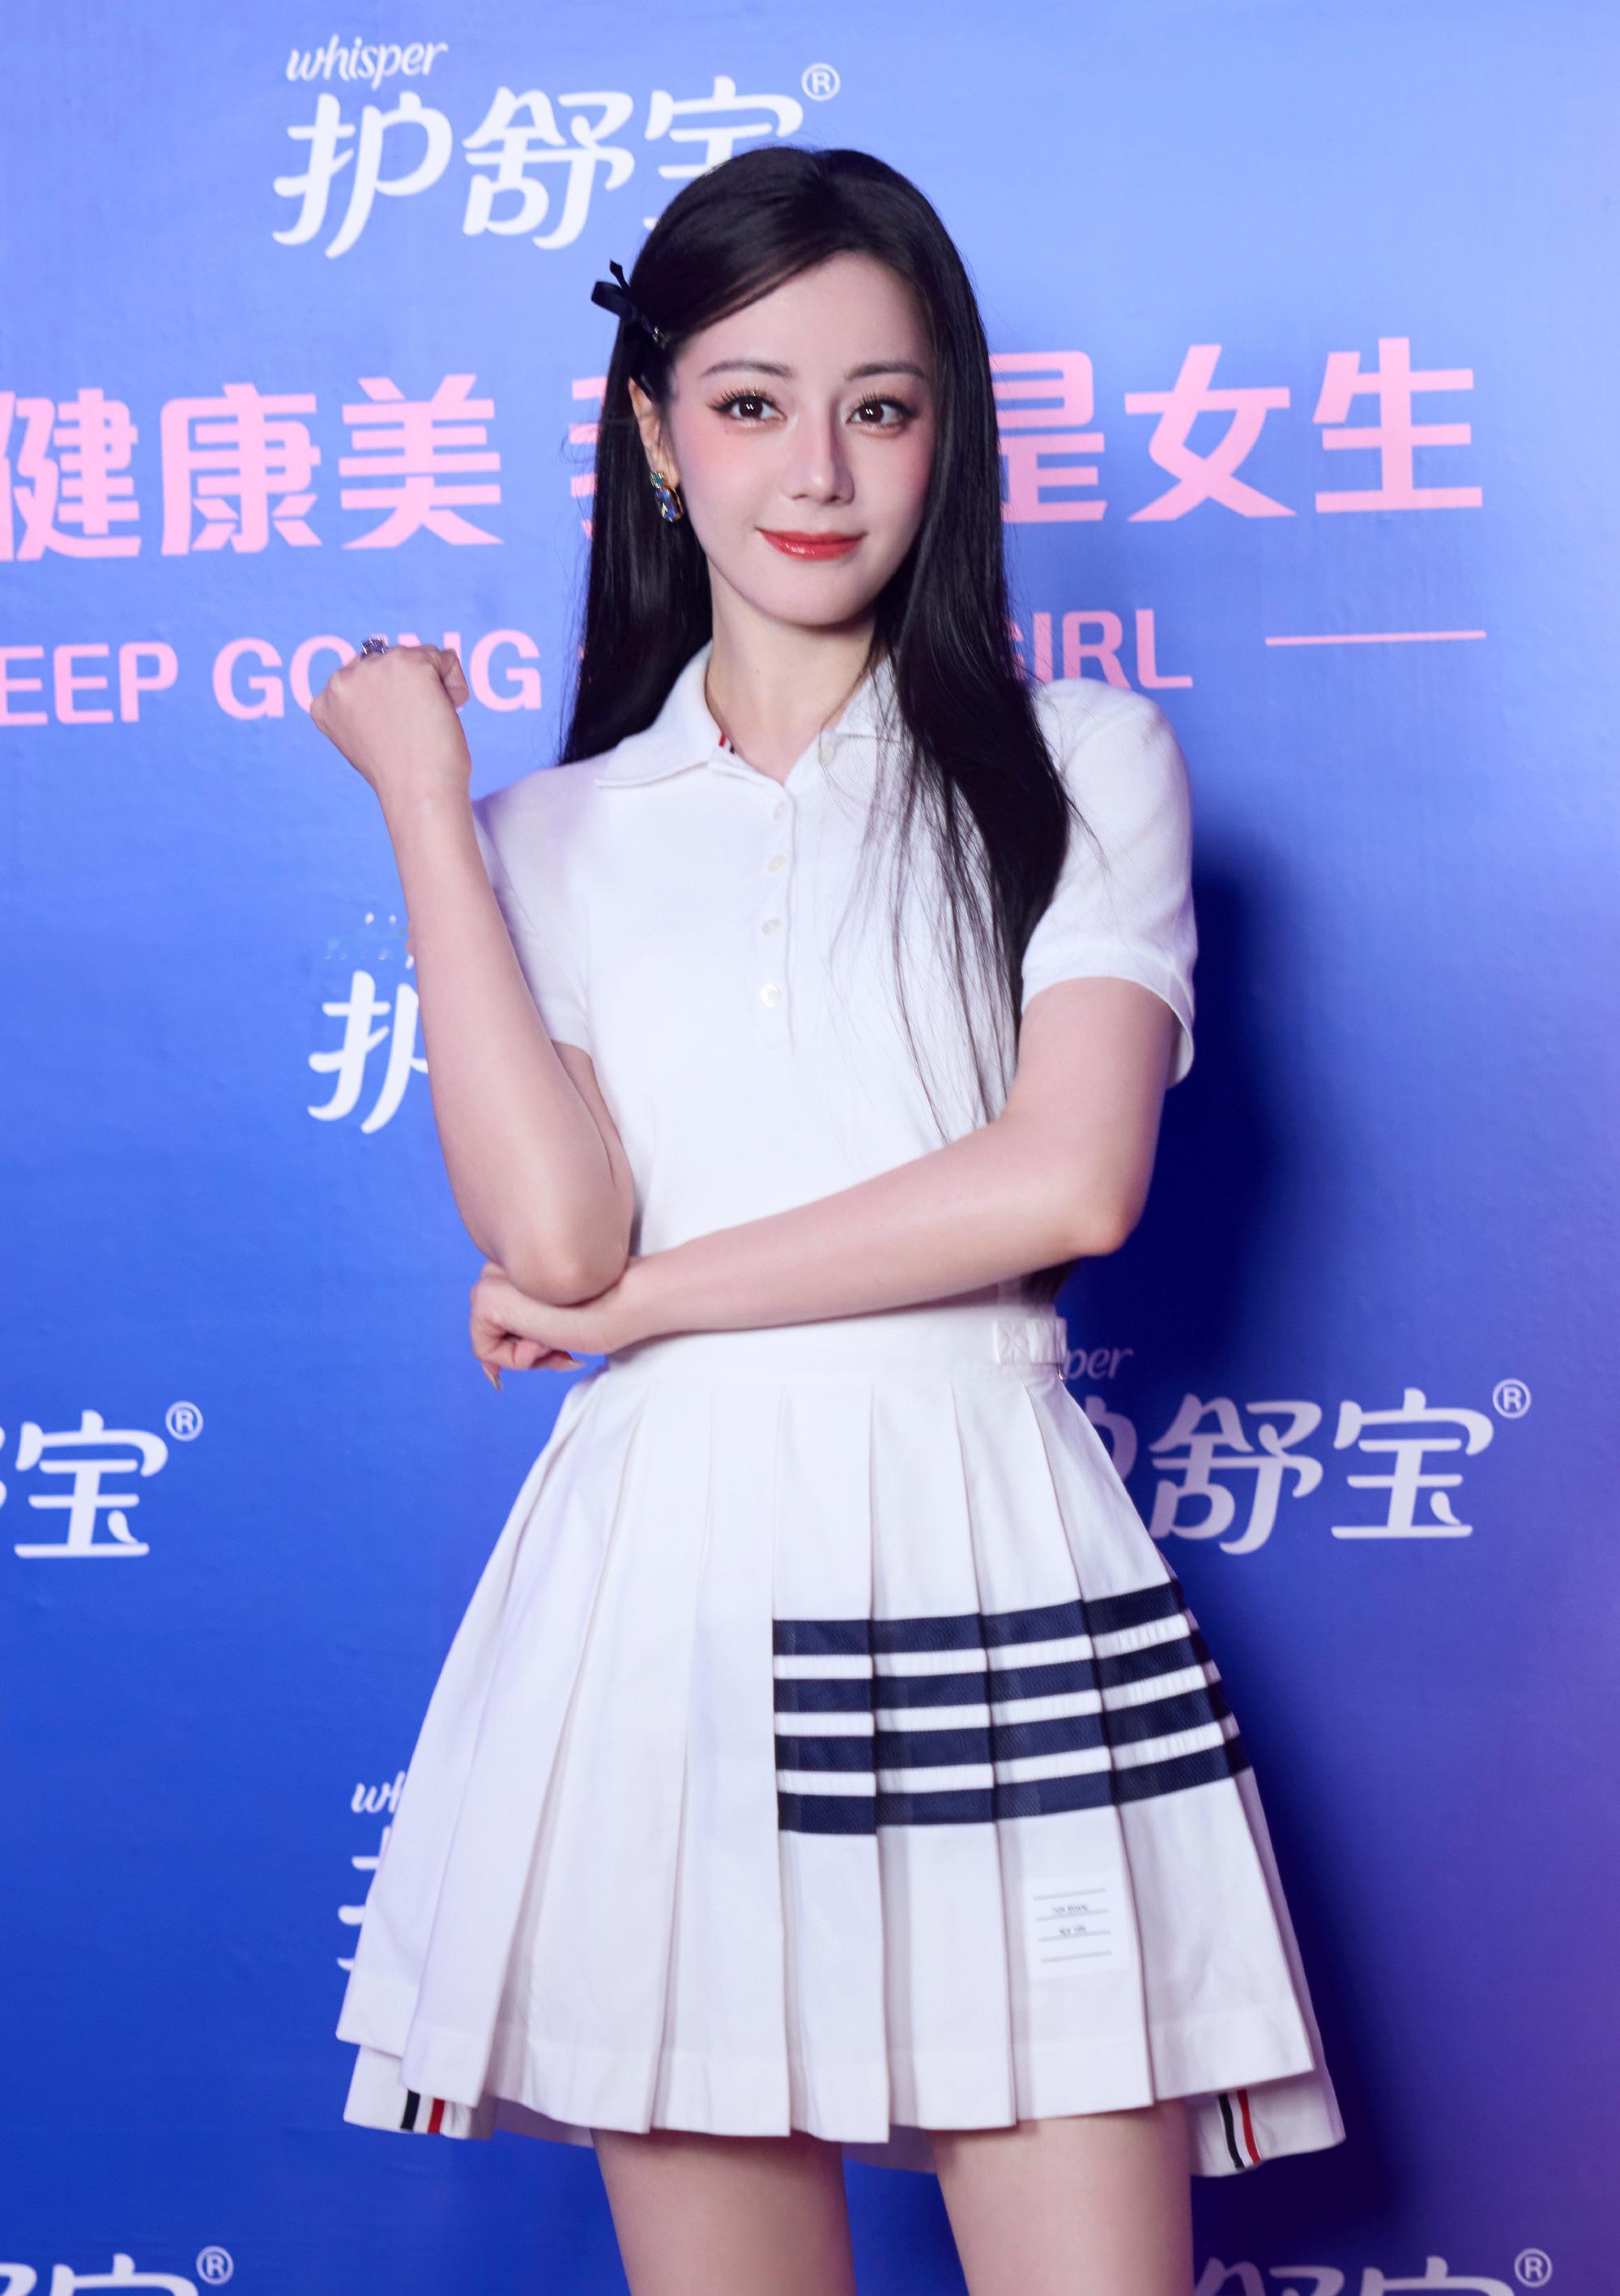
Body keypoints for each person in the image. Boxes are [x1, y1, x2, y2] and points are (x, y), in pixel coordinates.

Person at [310, 144, 1344, 2296]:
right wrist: (425, 808)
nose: (817, 468)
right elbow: (553, 1237)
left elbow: (1069, 1177)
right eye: (752, 401)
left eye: (880, 405)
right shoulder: (550, 832)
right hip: (667, 1583)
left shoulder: (1075, 760)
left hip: (977, 1531)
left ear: (945, 435)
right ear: (655, 433)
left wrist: (653, 1301)